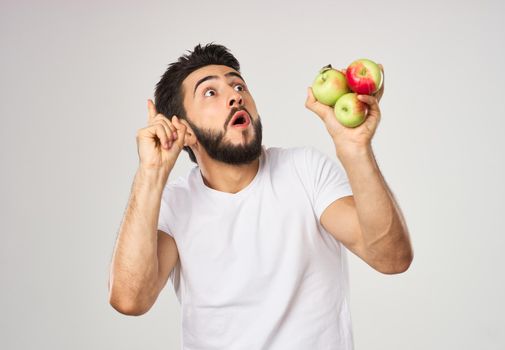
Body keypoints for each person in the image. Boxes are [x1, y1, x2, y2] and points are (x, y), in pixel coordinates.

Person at [108, 43, 413, 349]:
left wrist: (355, 148)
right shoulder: (174, 204)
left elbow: (391, 258)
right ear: (183, 129)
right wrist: (151, 173)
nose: (235, 95)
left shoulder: (304, 171)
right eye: (210, 92)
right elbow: (130, 299)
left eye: (238, 85)